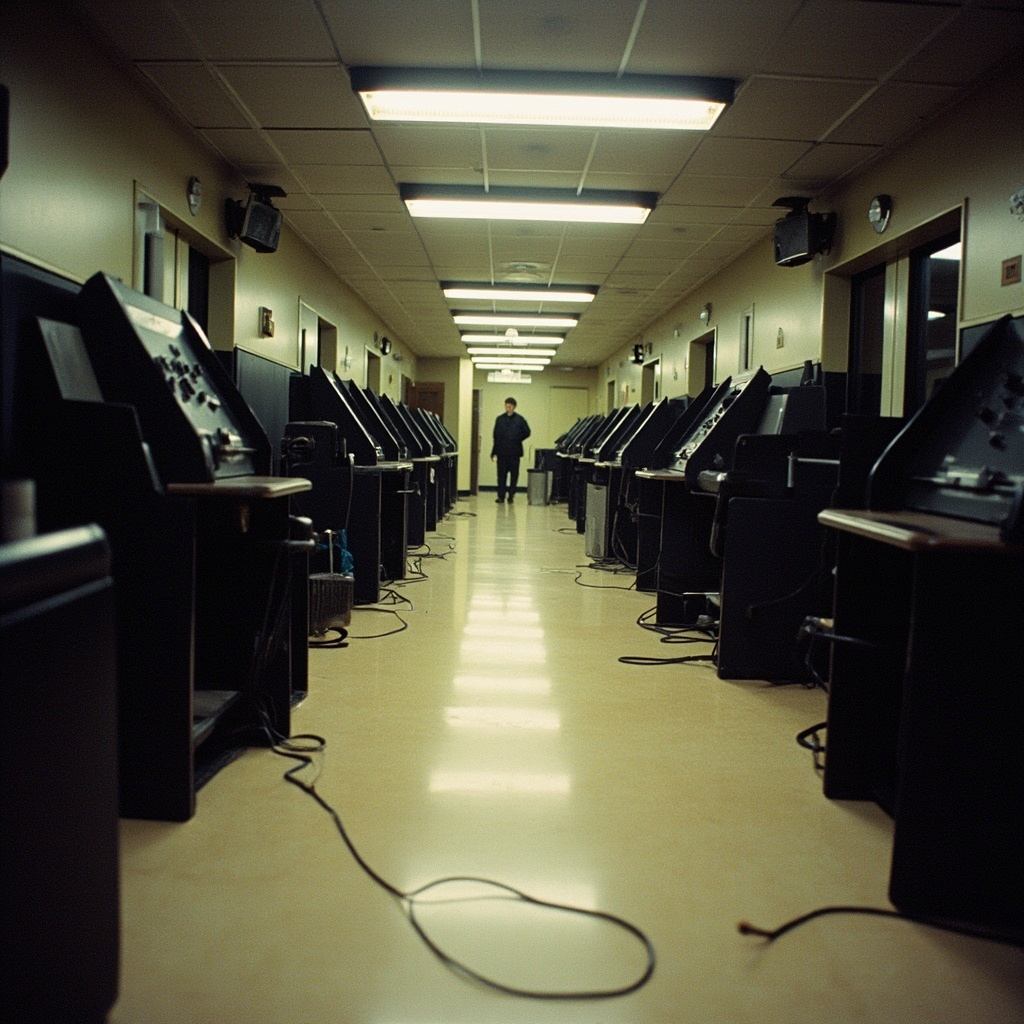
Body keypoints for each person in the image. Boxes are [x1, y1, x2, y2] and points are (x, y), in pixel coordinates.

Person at [490, 396, 531, 503]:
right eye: (507, 406)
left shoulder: (520, 420)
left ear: (514, 407)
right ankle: (501, 496)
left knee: (514, 476)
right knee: (501, 476)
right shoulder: (500, 419)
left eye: (510, 406)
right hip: (502, 452)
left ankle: (511, 495)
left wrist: (517, 438)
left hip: (514, 452)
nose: (508, 408)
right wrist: (494, 452)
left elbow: (527, 432)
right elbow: (496, 436)